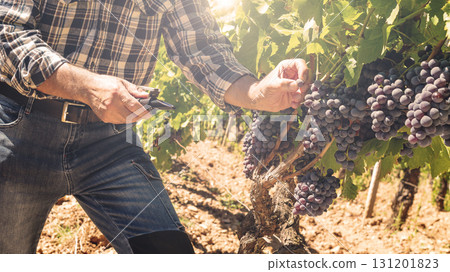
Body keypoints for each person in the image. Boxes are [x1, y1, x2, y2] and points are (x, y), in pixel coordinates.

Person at [0, 0, 309, 254]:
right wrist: (85, 86)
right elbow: (7, 31)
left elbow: (202, 51)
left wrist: (257, 93)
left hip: (110, 141)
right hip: (18, 130)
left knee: (168, 254)